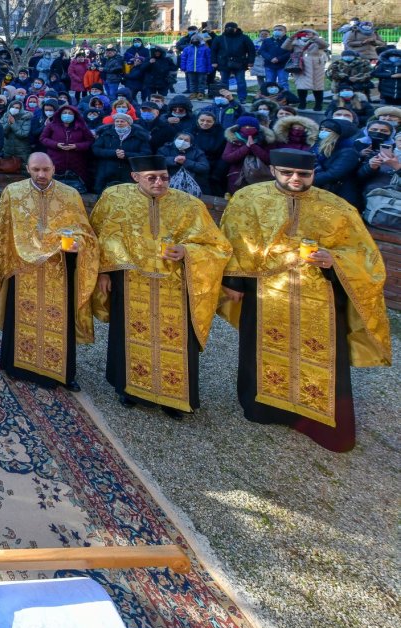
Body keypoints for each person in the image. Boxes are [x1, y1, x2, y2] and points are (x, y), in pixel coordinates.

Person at [219, 149, 392, 452]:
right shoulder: (249, 199)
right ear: (273, 170)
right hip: (265, 292)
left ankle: (317, 421)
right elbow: (234, 241)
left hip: (319, 297)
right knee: (260, 349)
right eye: (287, 172)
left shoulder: (337, 208)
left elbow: (365, 256)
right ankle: (266, 409)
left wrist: (333, 259)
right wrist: (231, 282)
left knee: (321, 358)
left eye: (303, 174)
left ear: (313, 174)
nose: (295, 179)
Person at [90, 155, 232, 417]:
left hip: (175, 285)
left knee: (175, 339)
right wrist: (103, 272)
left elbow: (218, 245)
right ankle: (131, 389)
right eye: (151, 178)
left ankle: (174, 398)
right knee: (129, 335)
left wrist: (186, 251)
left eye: (164, 177)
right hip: (131, 282)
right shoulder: (115, 198)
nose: (159, 183)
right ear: (135, 177)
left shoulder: (189, 205)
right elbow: (100, 236)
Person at [0, 152, 98, 390]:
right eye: (36, 169)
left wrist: (79, 244)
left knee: (59, 320)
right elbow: (3, 233)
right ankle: (16, 365)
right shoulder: (12, 193)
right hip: (22, 269)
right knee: (20, 316)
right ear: (27, 168)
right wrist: (2, 266)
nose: (41, 174)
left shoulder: (70, 195)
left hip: (59, 270)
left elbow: (85, 231)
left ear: (54, 169)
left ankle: (61, 373)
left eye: (46, 169)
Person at [91, 113, 152, 193]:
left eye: (122, 121)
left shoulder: (139, 136)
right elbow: (96, 149)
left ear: (128, 123)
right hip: (107, 173)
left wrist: (126, 155)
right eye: (117, 121)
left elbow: (145, 154)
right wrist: (113, 153)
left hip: (129, 173)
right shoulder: (106, 134)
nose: (119, 123)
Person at [283, 29, 329, 111]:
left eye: (308, 33)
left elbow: (325, 45)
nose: (305, 35)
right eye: (302, 33)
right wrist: (291, 38)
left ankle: (318, 105)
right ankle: (302, 103)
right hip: (300, 65)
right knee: (301, 85)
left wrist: (314, 38)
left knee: (318, 86)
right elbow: (285, 47)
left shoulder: (317, 41)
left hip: (316, 66)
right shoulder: (295, 42)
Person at [211, 22, 257, 101]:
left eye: (231, 28)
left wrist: (251, 61)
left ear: (236, 28)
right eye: (227, 28)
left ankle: (242, 98)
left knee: (241, 82)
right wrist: (214, 62)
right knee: (224, 82)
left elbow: (251, 50)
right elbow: (213, 51)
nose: (229, 29)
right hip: (223, 63)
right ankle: (224, 98)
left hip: (240, 63)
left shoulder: (244, 38)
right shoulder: (219, 38)